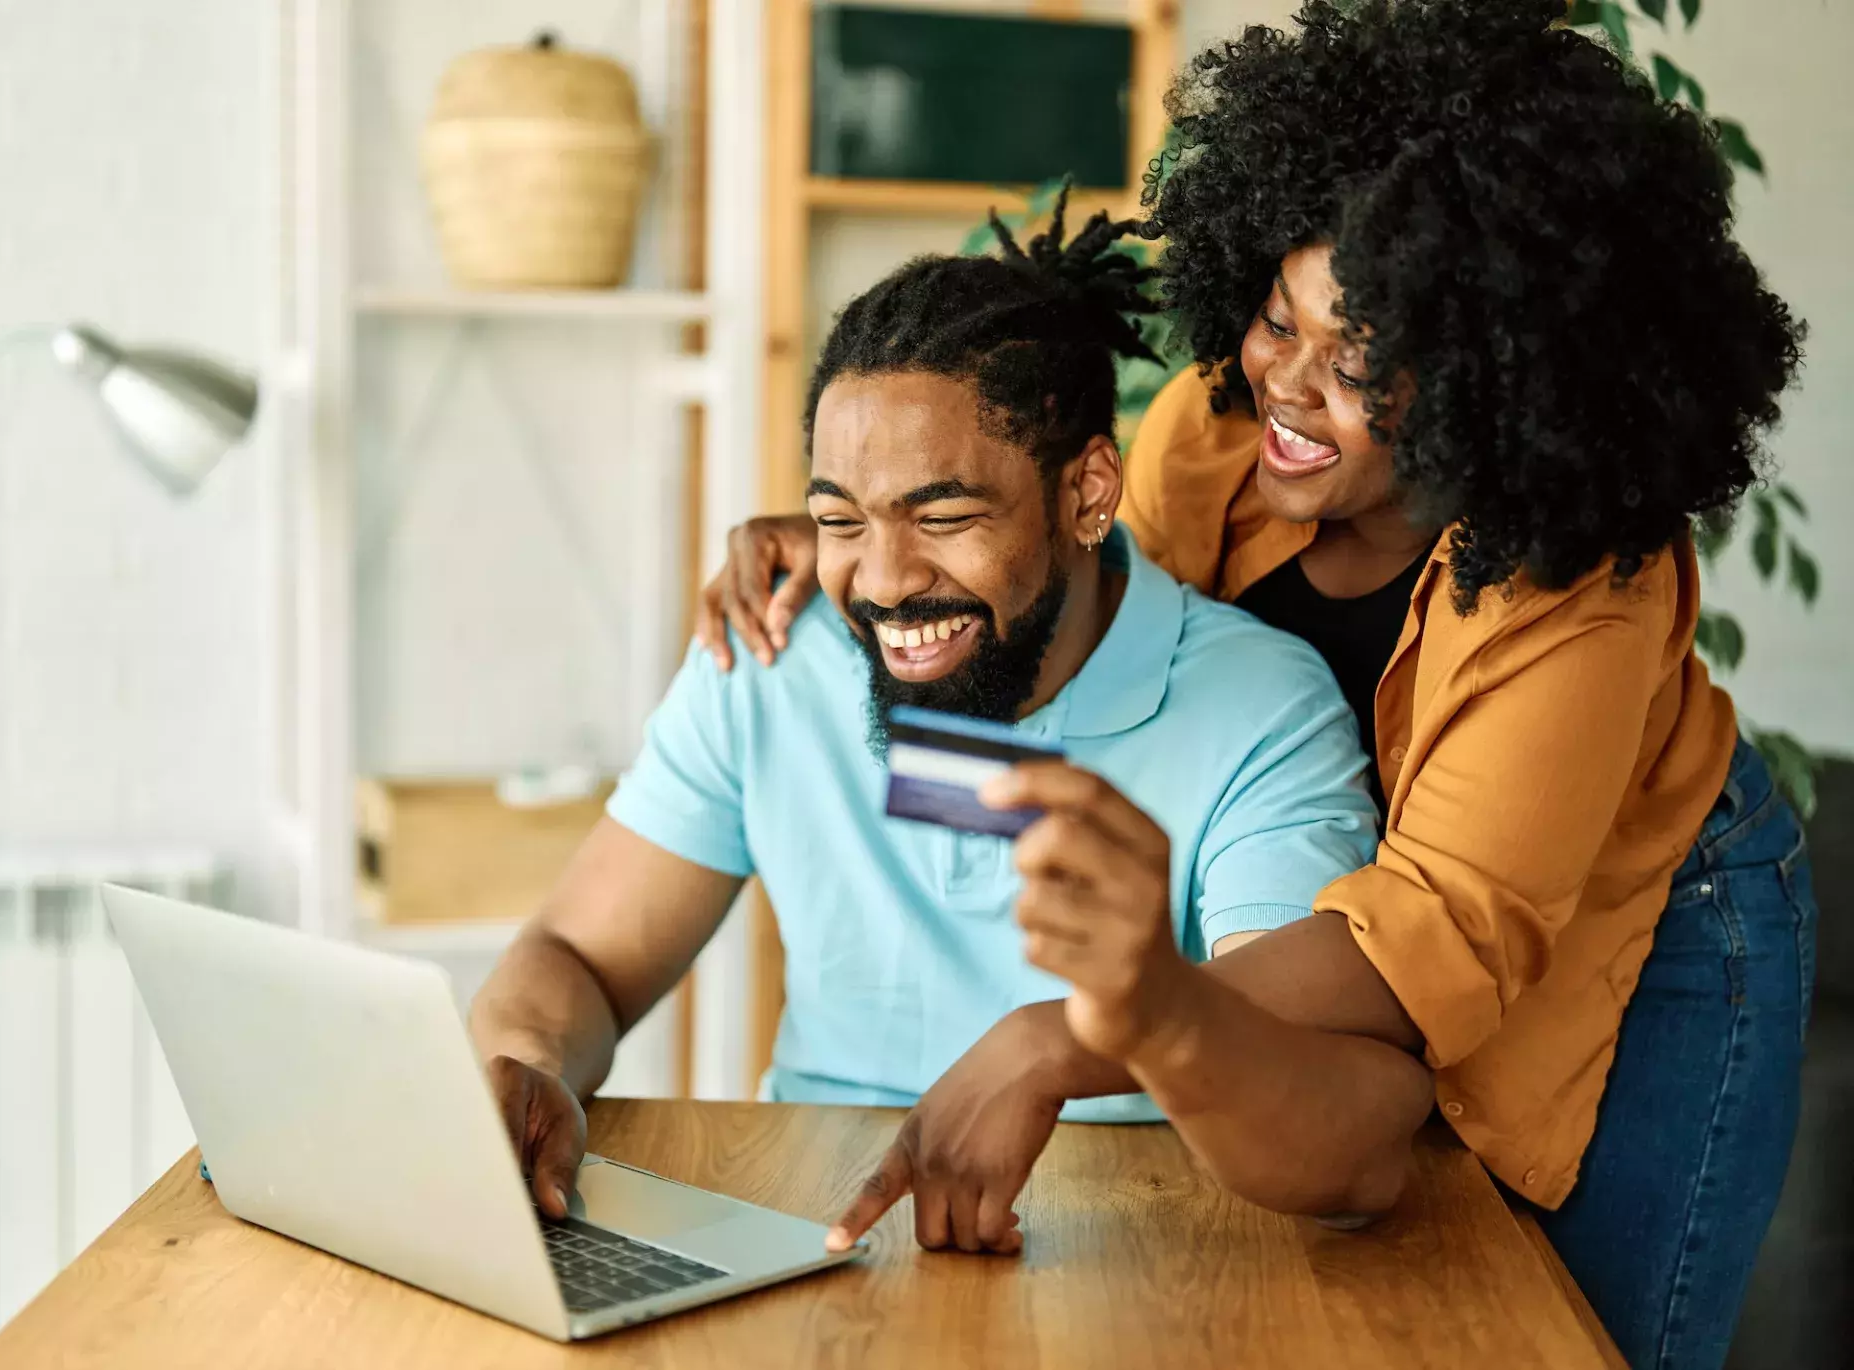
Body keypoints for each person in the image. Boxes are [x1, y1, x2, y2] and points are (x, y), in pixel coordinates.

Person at [693, 3, 1817, 1367]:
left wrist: (1070, 1032)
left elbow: (1428, 940)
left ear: (1492, 377)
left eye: (1356, 363)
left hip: (1641, 924)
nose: (1284, 382)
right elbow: (1097, 630)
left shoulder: (1585, 587)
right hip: (1376, 894)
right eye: (1280, 317)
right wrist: (867, 544)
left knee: (1569, 1333)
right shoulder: (1214, 434)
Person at [469, 206, 1384, 1257]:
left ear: (1088, 492)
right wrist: (530, 1062)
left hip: (1137, 1250)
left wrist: (1140, 1015)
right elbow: (577, 951)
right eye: (842, 519)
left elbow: (1348, 1149)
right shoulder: (778, 651)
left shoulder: (1259, 707)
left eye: (944, 518)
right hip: (810, 1237)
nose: (886, 581)